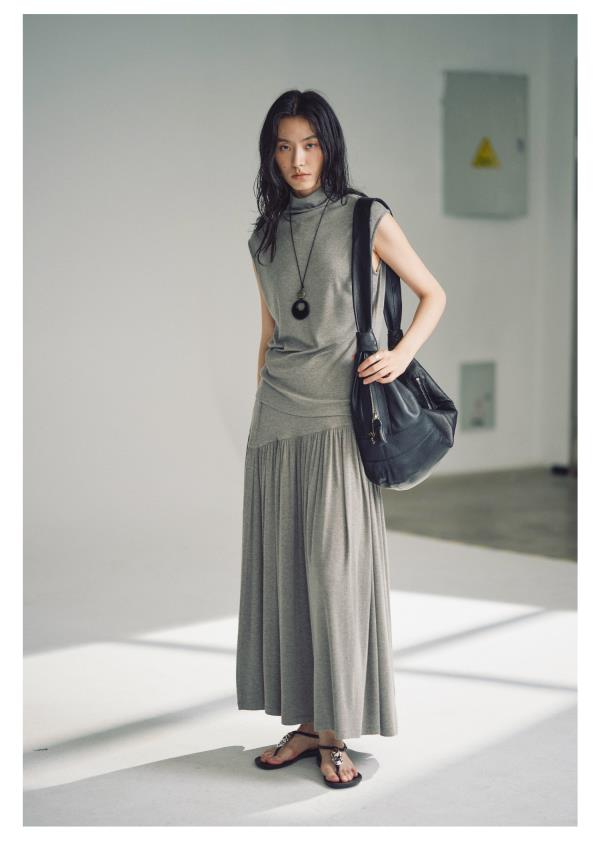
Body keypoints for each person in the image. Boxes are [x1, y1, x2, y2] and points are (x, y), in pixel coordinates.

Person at [236, 89, 447, 789]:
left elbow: (434, 293)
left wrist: (401, 355)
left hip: (339, 414)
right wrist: (262, 402)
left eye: (310, 144)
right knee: (285, 572)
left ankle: (335, 732)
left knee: (334, 573)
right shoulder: (263, 235)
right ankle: (304, 725)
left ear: (329, 147)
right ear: (271, 155)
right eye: (284, 147)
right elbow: (269, 333)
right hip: (278, 417)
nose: (298, 160)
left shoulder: (365, 217)